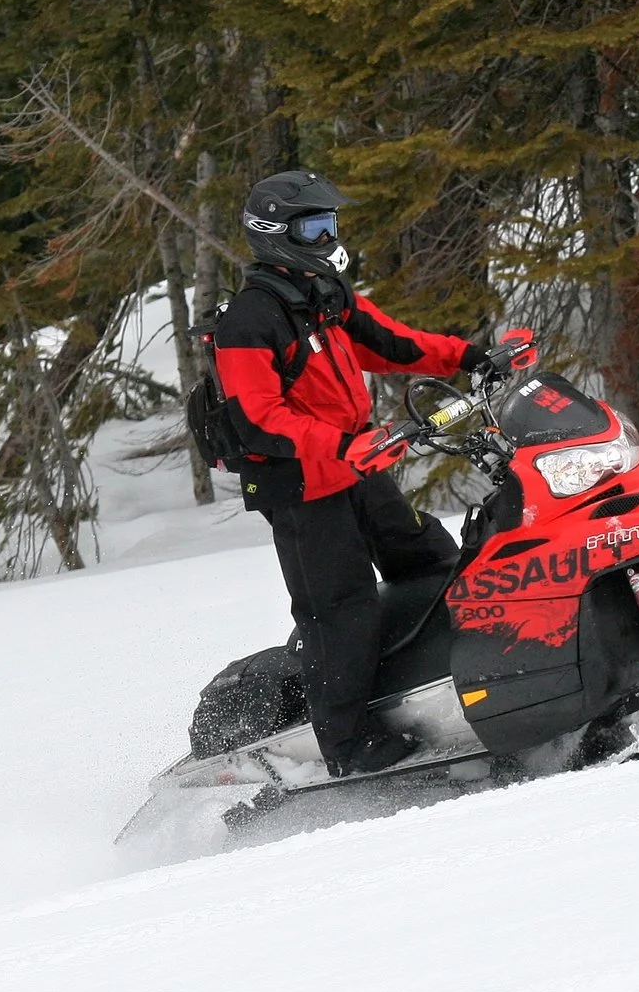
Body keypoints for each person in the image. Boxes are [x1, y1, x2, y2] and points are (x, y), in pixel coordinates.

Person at [213, 170, 537, 775]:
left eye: (331, 224)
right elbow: (258, 419)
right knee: (340, 608)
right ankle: (345, 746)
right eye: (315, 227)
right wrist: (341, 446)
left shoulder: (325, 293)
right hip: (302, 487)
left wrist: (472, 357)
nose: (329, 237)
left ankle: (432, 679)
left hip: (353, 466)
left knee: (432, 559)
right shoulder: (249, 322)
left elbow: (393, 343)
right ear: (275, 234)